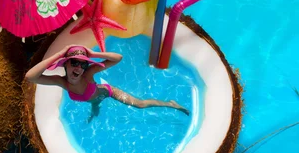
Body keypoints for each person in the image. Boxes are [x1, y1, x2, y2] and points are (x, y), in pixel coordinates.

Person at [25, 45, 189, 122]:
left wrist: (92, 53)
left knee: (140, 104)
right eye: (74, 62)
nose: (79, 68)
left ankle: (171, 104)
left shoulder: (88, 74)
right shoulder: (62, 82)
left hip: (108, 93)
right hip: (93, 99)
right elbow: (31, 76)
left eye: (83, 64)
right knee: (95, 108)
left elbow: (118, 58)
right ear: (65, 64)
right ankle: (94, 112)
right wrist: (60, 53)